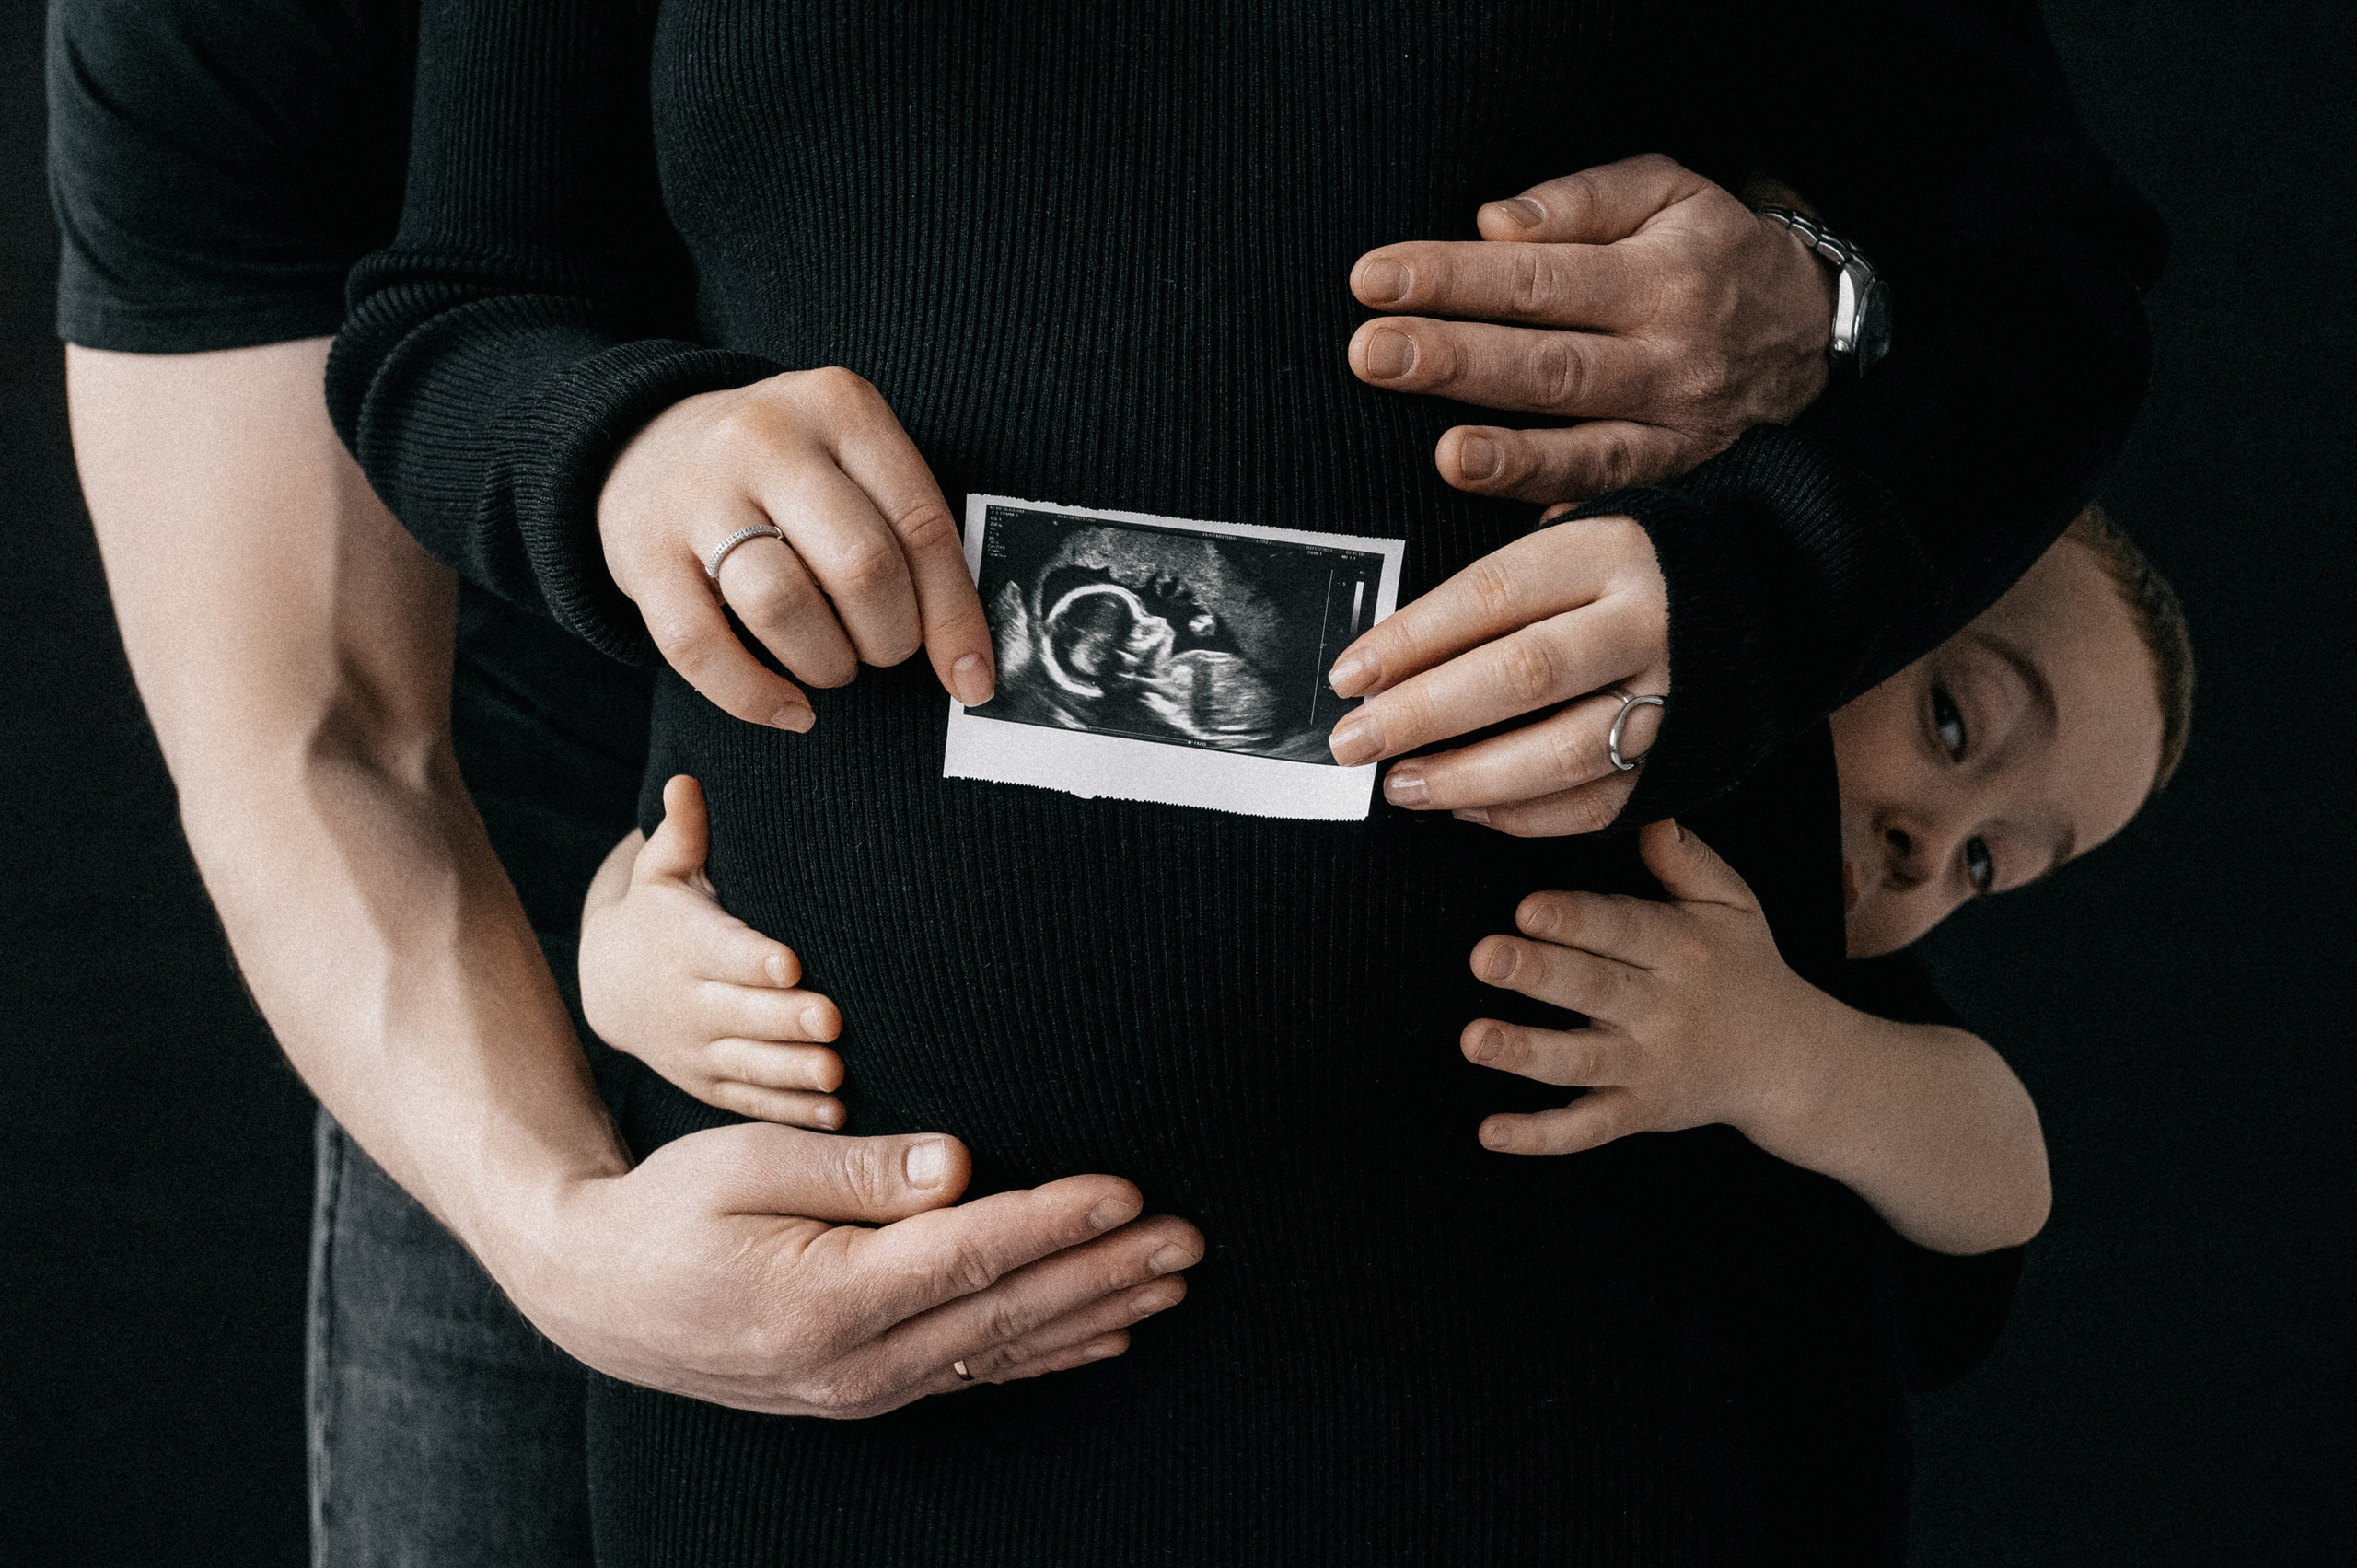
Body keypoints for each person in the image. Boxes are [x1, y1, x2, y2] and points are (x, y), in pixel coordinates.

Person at [42, 1, 1923, 1561]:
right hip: (585, 937)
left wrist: (1814, 323)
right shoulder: (226, 32)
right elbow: (312, 738)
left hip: (1499, 1216)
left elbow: (1988, 275)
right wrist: (549, 1224)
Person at [582, 510, 2192, 1258]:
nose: (1931, 849)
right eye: (1956, 720)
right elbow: (681, 837)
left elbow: (2004, 1177)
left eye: (1995, 864)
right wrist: (620, 962)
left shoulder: (1763, 974)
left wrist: (1782, 1055)